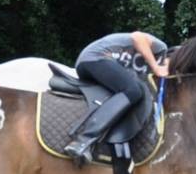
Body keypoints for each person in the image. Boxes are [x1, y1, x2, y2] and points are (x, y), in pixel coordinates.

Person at [63, 31, 169, 165]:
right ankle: (83, 140)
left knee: (130, 92)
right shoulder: (161, 48)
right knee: (132, 90)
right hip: (97, 57)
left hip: (91, 63)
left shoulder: (145, 72)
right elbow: (137, 37)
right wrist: (156, 66)